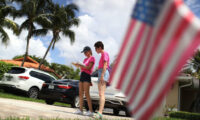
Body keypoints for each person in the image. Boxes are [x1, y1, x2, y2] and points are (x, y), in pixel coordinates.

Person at [73, 46, 95, 116]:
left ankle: (91, 111)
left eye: (85, 52)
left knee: (87, 94)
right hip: (82, 75)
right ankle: (80, 110)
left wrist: (81, 65)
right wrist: (78, 65)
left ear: (89, 51)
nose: (84, 53)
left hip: (87, 76)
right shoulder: (85, 59)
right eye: (84, 52)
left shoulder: (92, 58)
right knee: (80, 94)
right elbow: (83, 68)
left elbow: (89, 68)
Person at [94, 41, 110, 119]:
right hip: (101, 73)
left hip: (103, 73)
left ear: (99, 48)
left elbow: (105, 65)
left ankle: (100, 112)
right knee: (100, 93)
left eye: (96, 48)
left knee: (102, 93)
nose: (95, 50)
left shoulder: (105, 54)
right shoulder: (102, 55)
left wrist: (102, 76)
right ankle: (100, 112)